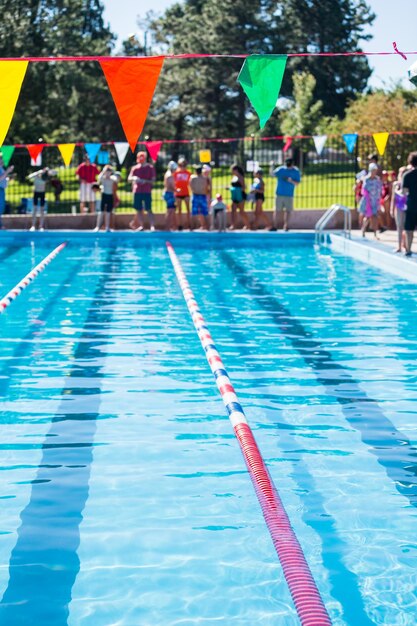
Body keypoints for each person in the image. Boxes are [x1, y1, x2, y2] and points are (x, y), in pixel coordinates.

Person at [270, 157, 301, 231]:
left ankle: (286, 226)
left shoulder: (296, 171)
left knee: (288, 211)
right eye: (287, 165)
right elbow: (272, 174)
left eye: (289, 165)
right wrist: (271, 166)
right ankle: (275, 225)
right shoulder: (281, 169)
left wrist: (291, 181)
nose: (288, 167)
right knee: (277, 210)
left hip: (289, 194)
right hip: (279, 193)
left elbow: (297, 183)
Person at [128, 151, 156, 231]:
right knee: (139, 209)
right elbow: (129, 179)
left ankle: (152, 226)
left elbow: (153, 180)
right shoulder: (135, 168)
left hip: (147, 191)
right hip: (137, 191)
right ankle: (141, 226)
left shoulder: (150, 168)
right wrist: (134, 178)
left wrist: (145, 181)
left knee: (149, 209)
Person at [359, 163, 382, 238]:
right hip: (368, 201)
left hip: (375, 201)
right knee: (368, 217)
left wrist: (378, 201)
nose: (374, 172)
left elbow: (379, 190)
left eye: (375, 170)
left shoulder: (377, 179)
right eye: (373, 170)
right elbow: (364, 190)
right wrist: (368, 202)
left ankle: (375, 233)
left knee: (375, 217)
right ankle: (363, 230)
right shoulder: (366, 179)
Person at [390, 166, 409, 253]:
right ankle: (399, 246)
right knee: (399, 227)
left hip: (406, 208)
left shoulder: (408, 185)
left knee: (405, 227)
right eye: (400, 173)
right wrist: (391, 208)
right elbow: (393, 198)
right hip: (398, 208)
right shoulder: (396, 185)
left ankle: (405, 244)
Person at [94, 165, 117, 232]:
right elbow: (99, 177)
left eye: (109, 172)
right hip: (104, 196)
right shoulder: (103, 179)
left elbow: (117, 178)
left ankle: (107, 227)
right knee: (101, 212)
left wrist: (111, 173)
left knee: (108, 213)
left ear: (111, 173)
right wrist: (103, 171)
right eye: (106, 172)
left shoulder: (112, 179)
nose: (107, 174)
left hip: (110, 196)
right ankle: (97, 227)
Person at [402, 152, 417, 256]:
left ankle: (408, 249)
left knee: (409, 229)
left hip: (411, 204)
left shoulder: (407, 175)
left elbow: (404, 192)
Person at [229, 164, 249, 229]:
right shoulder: (233, 177)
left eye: (232, 170)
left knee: (241, 211)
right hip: (234, 196)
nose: (232, 172)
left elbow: (243, 187)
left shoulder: (240, 177)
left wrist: (236, 189)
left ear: (236, 170)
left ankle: (247, 225)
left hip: (240, 196)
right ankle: (233, 225)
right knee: (233, 211)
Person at [174, 158, 192, 230]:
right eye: (181, 165)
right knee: (179, 210)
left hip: (186, 193)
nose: (182, 167)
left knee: (188, 209)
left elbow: (190, 183)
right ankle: (179, 225)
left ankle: (189, 224)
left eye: (184, 165)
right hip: (178, 194)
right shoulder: (176, 173)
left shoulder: (188, 173)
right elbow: (173, 183)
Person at [190, 165, 209, 229]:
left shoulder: (193, 178)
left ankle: (192, 227)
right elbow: (206, 188)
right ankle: (207, 227)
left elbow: (191, 187)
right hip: (203, 196)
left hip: (195, 196)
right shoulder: (205, 178)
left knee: (194, 213)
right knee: (205, 212)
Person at [164, 161, 177, 231]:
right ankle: (167, 227)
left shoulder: (167, 174)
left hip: (168, 193)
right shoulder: (170, 175)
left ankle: (171, 226)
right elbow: (171, 186)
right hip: (169, 193)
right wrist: (176, 190)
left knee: (171, 210)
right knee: (170, 210)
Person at [0, 155, 13, 229]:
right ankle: (1, 226)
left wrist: (8, 178)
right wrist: (7, 171)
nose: (2, 161)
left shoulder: (1, 168)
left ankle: (1, 225)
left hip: (2, 190)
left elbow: (3, 178)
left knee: (1, 208)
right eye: (1, 159)